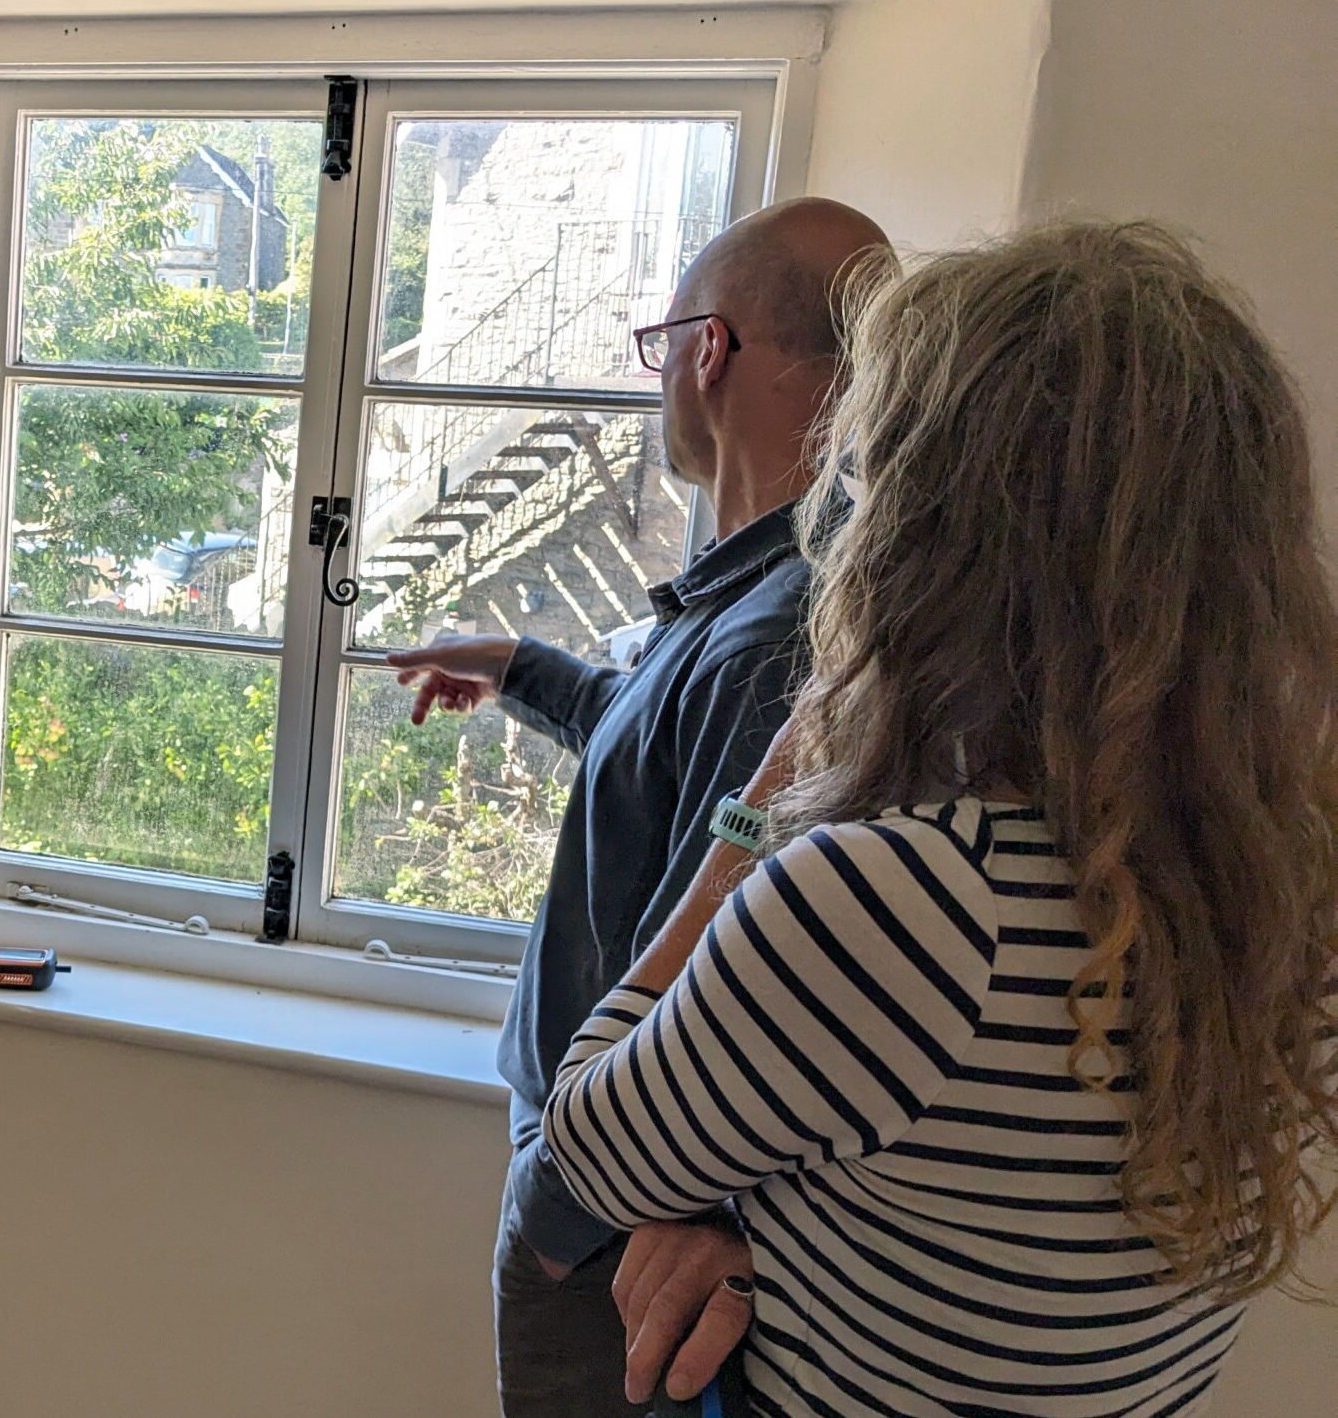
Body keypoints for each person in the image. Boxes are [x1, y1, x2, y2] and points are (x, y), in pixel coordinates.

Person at [543, 220, 1338, 1416]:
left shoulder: (909, 895)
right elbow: (1010, 1213)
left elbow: (592, 1138)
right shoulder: (1288, 879)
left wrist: (758, 809)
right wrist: (799, 1241)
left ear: (937, 525)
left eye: (875, 469)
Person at [389, 197, 892, 1417]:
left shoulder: (771, 639)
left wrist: (553, 1217)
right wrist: (525, 669)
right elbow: (669, 766)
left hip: (615, 1217)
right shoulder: (754, 602)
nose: (660, 369)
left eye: (660, 339)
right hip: (607, 1192)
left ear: (707, 349)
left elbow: (709, 977)